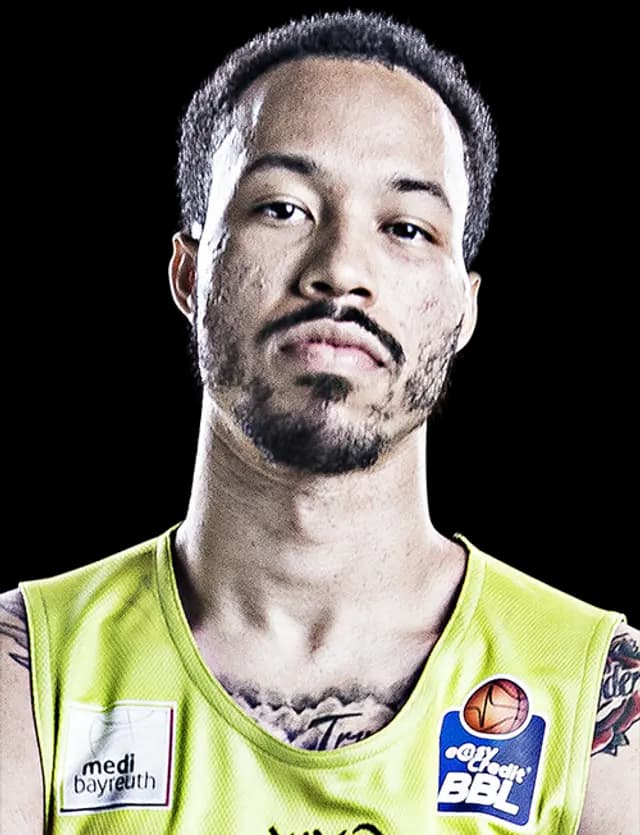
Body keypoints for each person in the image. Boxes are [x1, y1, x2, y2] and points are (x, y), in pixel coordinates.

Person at [1, 9, 638, 834]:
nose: (340, 270)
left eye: (405, 228)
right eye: (283, 208)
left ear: (464, 309)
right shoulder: (27, 672)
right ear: (190, 273)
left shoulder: (595, 693)